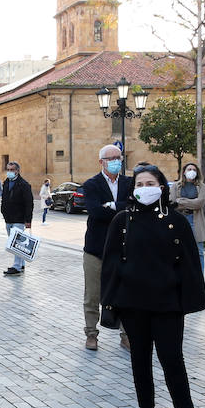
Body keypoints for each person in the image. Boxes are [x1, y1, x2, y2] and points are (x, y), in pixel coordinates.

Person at [101, 164, 205, 408]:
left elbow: (189, 266)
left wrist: (189, 302)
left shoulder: (176, 221)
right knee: (140, 361)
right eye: (140, 183)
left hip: (167, 306)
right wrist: (109, 302)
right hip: (133, 305)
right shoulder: (121, 221)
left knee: (173, 363)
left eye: (151, 183)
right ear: (133, 188)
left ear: (161, 187)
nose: (145, 188)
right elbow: (111, 265)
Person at [79, 145, 127, 350]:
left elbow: (133, 206)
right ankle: (91, 334)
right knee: (92, 294)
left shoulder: (129, 183)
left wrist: (111, 205)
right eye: (111, 158)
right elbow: (95, 211)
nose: (116, 161)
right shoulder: (91, 184)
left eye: (118, 157)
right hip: (96, 248)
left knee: (125, 292)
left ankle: (127, 335)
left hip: (123, 247)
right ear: (101, 162)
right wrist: (119, 208)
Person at [0, 161, 35, 278]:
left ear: (17, 171)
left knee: (16, 242)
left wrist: (28, 220)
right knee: (13, 241)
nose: (9, 172)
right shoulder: (6, 183)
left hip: (19, 218)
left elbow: (29, 203)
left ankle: (17, 266)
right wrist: (3, 212)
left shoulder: (24, 185)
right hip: (8, 218)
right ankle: (21, 263)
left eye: (12, 170)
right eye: (8, 169)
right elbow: (4, 198)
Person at [172, 162, 205, 268]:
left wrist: (182, 201)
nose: (191, 171)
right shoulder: (176, 186)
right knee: (179, 250)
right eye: (189, 169)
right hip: (180, 219)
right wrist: (190, 202)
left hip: (195, 219)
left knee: (199, 251)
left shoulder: (201, 186)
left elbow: (200, 203)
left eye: (194, 169)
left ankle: (200, 277)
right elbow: (174, 203)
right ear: (184, 172)